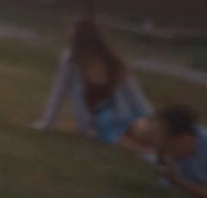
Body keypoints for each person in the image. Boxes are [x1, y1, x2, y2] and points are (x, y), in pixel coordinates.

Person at [33, 17, 153, 151]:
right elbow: (59, 93)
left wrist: (150, 117)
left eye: (75, 40)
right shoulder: (71, 61)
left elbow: (135, 96)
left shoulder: (114, 63)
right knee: (126, 140)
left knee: (144, 132)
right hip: (99, 123)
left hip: (124, 115)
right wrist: (47, 123)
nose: (72, 43)